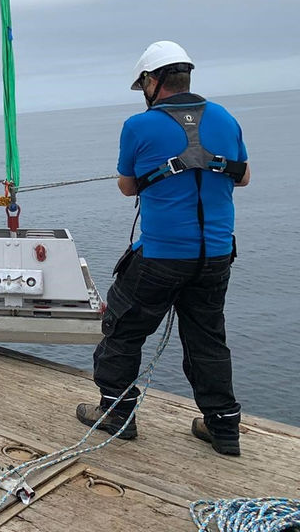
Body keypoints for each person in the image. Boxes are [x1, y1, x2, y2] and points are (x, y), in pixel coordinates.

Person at [76, 40, 250, 456]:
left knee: (122, 330)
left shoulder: (139, 126)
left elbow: (127, 187)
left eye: (144, 86)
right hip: (216, 255)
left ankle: (117, 414)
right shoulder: (225, 117)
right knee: (208, 338)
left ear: (153, 81)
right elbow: (243, 177)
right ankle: (223, 427)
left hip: (161, 257)